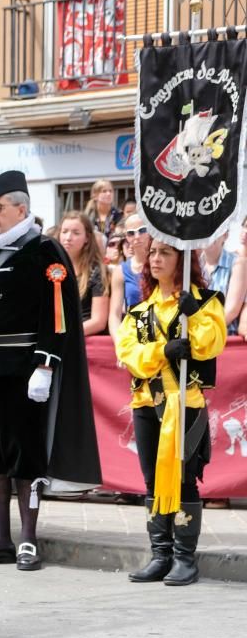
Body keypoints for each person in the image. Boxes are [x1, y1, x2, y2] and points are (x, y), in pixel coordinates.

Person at [0, 170, 100, 571]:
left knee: (25, 459)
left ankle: (28, 539)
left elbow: (57, 315)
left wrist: (46, 365)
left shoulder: (44, 251)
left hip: (23, 369)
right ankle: (0, 538)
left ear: (21, 209)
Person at [116, 240, 225, 586]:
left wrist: (192, 314)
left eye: (165, 252)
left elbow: (212, 343)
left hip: (186, 405)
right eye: (153, 253)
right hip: (147, 405)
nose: (156, 258)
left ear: (183, 259)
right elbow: (128, 353)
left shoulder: (205, 302)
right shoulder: (139, 310)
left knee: (183, 480)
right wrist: (163, 350)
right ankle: (160, 554)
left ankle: (184, 558)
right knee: (151, 480)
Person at [57, 212, 108, 335]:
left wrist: (66, 335)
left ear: (87, 238)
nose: (68, 237)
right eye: (64, 232)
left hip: (83, 341)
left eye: (76, 233)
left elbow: (99, 321)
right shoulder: (52, 268)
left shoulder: (97, 271)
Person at [109, 214, 150, 339]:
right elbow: (114, 315)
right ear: (126, 237)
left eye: (142, 230)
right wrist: (119, 345)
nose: (137, 237)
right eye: (131, 233)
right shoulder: (120, 270)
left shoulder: (162, 264)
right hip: (133, 337)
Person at [200, 231, 247, 334]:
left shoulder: (238, 263)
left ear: (225, 235)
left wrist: (204, 333)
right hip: (196, 338)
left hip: (225, 339)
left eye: (215, 230)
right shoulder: (192, 265)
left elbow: (231, 311)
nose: (209, 234)